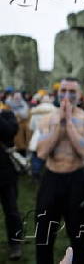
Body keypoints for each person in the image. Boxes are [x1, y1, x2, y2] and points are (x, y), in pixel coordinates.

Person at [35, 77, 84, 264]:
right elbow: (42, 152)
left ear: (80, 96)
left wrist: (69, 123)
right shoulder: (47, 119)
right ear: (57, 93)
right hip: (51, 179)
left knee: (78, 234)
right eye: (63, 91)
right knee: (44, 234)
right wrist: (59, 124)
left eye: (72, 92)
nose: (67, 96)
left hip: (76, 179)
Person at [0, 108, 23, 260]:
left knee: (11, 211)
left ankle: (15, 244)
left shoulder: (7, 114)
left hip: (5, 174)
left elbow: (9, 132)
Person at [28, 94, 55, 178]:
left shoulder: (35, 111)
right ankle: (51, 175)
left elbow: (31, 126)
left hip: (38, 135)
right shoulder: (56, 111)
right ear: (50, 100)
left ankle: (36, 173)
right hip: (52, 135)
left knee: (37, 156)